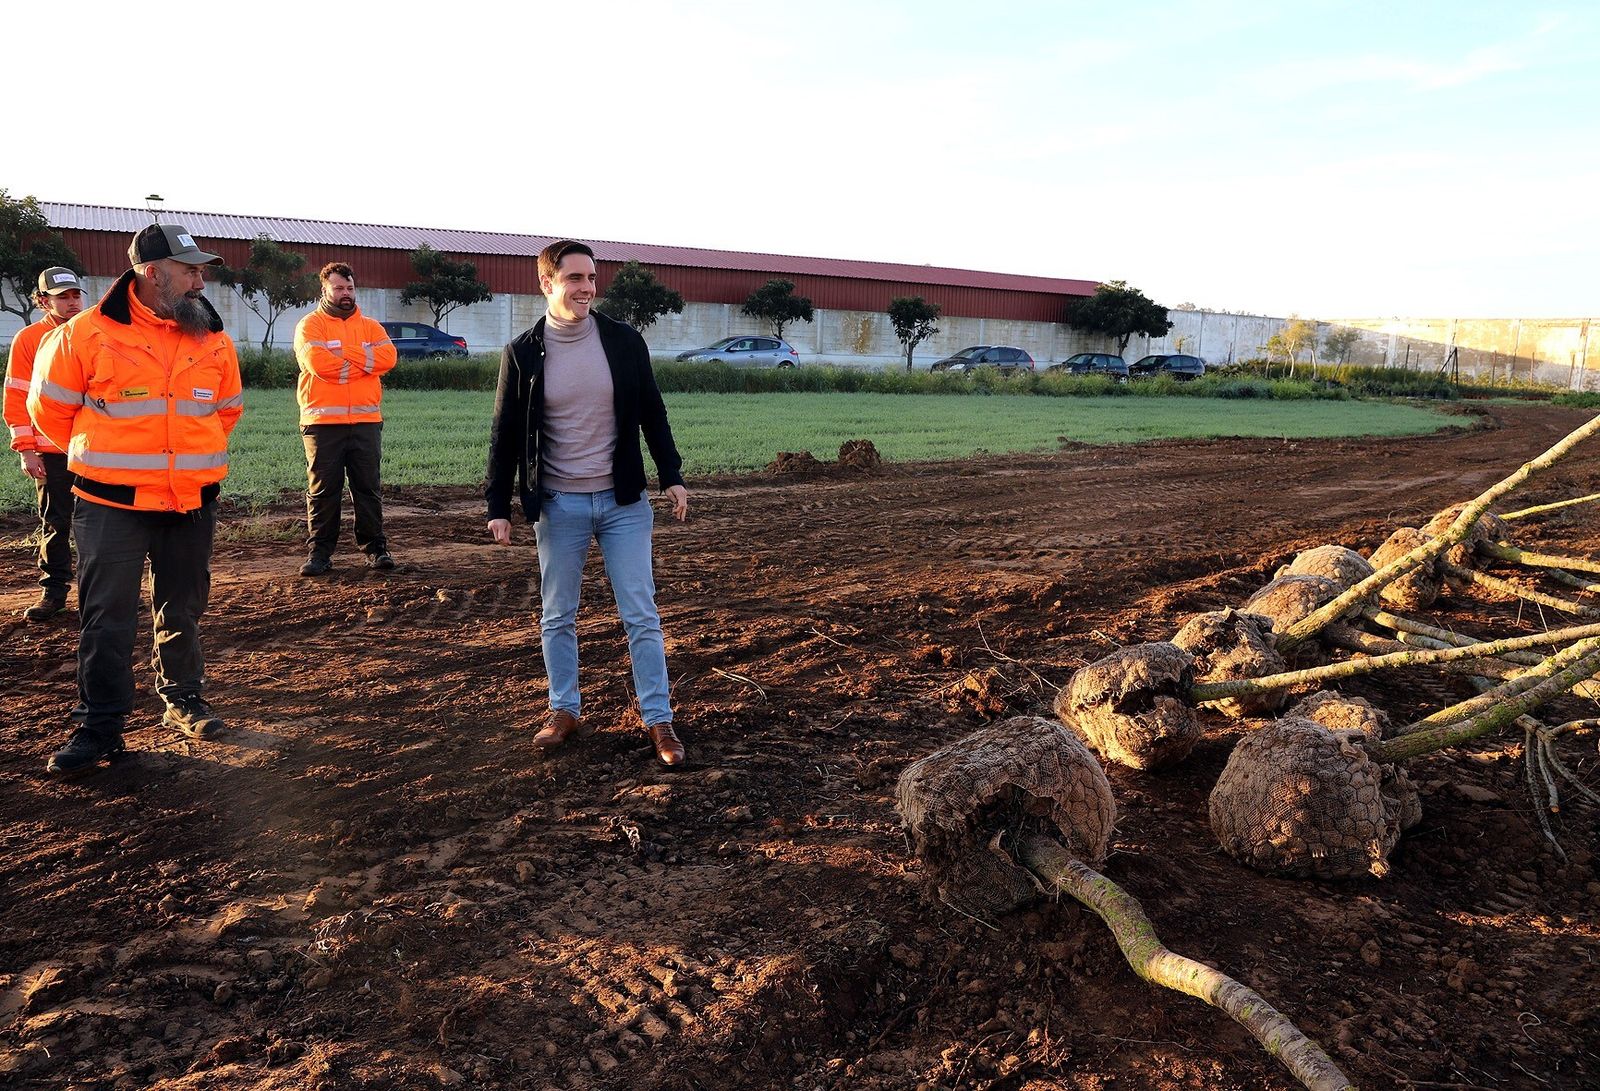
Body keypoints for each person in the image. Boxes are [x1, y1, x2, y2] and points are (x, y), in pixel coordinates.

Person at [29, 223, 243, 776]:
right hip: (111, 506)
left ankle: (183, 701)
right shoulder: (83, 335)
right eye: (189, 269)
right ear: (151, 272)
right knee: (106, 618)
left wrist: (183, 462)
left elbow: (225, 412)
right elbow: (49, 414)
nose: (200, 280)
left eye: (202, 270)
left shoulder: (212, 338)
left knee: (183, 608)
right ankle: (100, 725)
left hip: (191, 502)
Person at [485, 240, 690, 766]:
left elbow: (653, 413)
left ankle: (659, 720)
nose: (587, 288)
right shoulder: (523, 352)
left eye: (592, 278)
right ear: (547, 283)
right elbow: (506, 434)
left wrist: (671, 475)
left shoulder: (623, 342)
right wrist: (498, 506)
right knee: (558, 615)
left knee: (641, 614)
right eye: (575, 278)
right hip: (559, 505)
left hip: (623, 503)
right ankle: (564, 710)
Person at [292, 262, 398, 576]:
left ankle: (376, 550)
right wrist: (365, 361)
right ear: (325, 290)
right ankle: (319, 555)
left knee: (368, 488)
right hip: (322, 424)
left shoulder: (371, 326)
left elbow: (389, 358)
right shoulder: (310, 326)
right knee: (324, 491)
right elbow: (319, 364)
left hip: (366, 422)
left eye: (350, 288)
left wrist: (343, 353)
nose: (346, 294)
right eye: (339, 288)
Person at [5, 267, 87, 620]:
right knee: (56, 523)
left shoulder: (92, 333)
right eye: (62, 297)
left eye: (75, 295)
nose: (71, 303)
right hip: (51, 453)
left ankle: (101, 596)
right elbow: (16, 395)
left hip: (94, 451)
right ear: (43, 301)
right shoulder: (28, 340)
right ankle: (53, 593)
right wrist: (26, 448)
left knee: (99, 527)